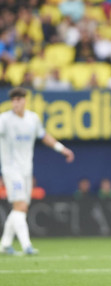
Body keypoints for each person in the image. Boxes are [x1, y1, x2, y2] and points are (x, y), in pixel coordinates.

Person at [0, 87, 74, 255]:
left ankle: (5, 244)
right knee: (20, 205)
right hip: (11, 170)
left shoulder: (33, 119)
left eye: (19, 99)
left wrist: (61, 149)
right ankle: (27, 246)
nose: (16, 103)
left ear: (25, 100)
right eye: (14, 100)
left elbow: (44, 136)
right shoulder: (4, 120)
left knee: (21, 208)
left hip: (26, 170)